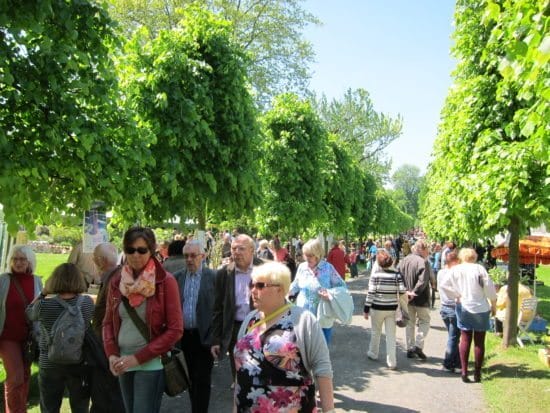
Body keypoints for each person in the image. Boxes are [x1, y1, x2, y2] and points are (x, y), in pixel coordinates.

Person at [234, 261, 335, 412]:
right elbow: (240, 371)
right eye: (251, 285)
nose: (253, 291)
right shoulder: (250, 320)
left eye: (260, 286)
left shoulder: (303, 320)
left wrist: (329, 410)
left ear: (280, 290)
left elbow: (322, 369)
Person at [102, 227, 183, 413]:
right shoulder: (117, 281)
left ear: (152, 250)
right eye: (130, 250)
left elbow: (175, 329)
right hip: (123, 361)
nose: (136, 255)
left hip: (151, 362)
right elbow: (107, 322)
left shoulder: (165, 282)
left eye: (142, 250)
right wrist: (112, 354)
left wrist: (137, 358)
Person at [27, 263, 95, 413]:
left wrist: (43, 293)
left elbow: (28, 313)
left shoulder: (44, 305)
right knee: (80, 407)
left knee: (49, 407)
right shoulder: (87, 303)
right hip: (79, 361)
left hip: (49, 362)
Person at [211, 234, 263, 383]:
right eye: (234, 248)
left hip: (260, 326)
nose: (237, 252)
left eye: (241, 248)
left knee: (261, 368)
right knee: (238, 370)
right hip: (235, 328)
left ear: (252, 250)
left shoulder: (265, 268)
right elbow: (217, 308)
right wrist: (216, 339)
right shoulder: (224, 273)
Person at [439, 248, 497, 383]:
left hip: (464, 306)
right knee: (479, 341)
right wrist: (493, 304)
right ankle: (477, 372)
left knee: (465, 339)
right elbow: (489, 288)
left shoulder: (456, 269)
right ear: (474, 257)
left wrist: (456, 295)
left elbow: (443, 285)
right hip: (481, 307)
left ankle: (464, 371)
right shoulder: (479, 269)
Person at [173, 240, 216, 413]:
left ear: (202, 256)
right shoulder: (178, 278)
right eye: (186, 256)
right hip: (184, 337)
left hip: (205, 336)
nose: (189, 260)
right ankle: (196, 408)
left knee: (203, 379)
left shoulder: (213, 277)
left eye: (193, 256)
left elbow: (220, 309)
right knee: (190, 377)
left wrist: (216, 337)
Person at [0, 245, 43, 413]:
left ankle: (20, 409)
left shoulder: (36, 281)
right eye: (15, 259)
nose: (18, 262)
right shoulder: (3, 280)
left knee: (25, 377)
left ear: (30, 261)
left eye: (22, 259)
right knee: (16, 377)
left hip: (28, 338)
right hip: (7, 336)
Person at [288, 238, 347, 344]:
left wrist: (329, 294)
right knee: (302, 350)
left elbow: (342, 287)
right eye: (305, 255)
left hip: (322, 318)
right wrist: (286, 292)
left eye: (310, 255)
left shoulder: (328, 268)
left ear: (318, 254)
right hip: (303, 316)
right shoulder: (302, 267)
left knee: (321, 351)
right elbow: (296, 285)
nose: (307, 258)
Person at [90, 243, 125, 413]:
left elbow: (109, 317)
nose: (93, 263)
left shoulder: (114, 280)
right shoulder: (117, 276)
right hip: (111, 345)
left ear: (101, 261)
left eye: (94, 259)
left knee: (108, 396)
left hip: (109, 346)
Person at [363, 250, 409, 370]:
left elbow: (371, 293)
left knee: (375, 332)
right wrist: (405, 306)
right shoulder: (396, 275)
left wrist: (366, 309)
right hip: (392, 309)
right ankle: (392, 362)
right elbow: (403, 291)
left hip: (377, 308)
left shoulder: (376, 276)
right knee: (391, 335)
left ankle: (373, 353)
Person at [398, 240, 432, 360]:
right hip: (421, 298)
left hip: (407, 298)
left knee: (410, 323)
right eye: (427, 250)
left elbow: (397, 277)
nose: (428, 252)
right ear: (421, 249)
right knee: (424, 321)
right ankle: (418, 345)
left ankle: (410, 347)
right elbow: (423, 280)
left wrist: (404, 291)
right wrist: (414, 292)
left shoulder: (404, 261)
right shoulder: (423, 262)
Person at [436, 249, 461, 373]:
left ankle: (457, 362)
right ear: (455, 261)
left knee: (453, 336)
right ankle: (448, 363)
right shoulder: (454, 273)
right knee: (454, 337)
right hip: (453, 307)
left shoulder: (440, 272)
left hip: (444, 307)